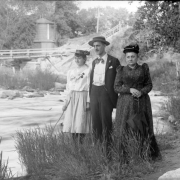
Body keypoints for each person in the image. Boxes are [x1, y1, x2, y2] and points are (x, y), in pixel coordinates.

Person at [114, 43, 161, 160]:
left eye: (133, 56)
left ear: (137, 57)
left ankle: (144, 153)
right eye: (128, 57)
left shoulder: (143, 68)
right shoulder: (121, 70)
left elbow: (149, 84)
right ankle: (126, 155)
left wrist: (142, 92)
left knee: (142, 125)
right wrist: (129, 89)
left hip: (142, 102)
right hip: (125, 104)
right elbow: (116, 87)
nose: (130, 59)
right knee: (125, 126)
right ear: (125, 58)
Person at [88, 36, 120, 155]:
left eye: (98, 45)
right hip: (94, 92)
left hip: (106, 92)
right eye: (94, 46)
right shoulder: (93, 62)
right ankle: (98, 148)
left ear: (104, 46)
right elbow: (91, 81)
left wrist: (118, 95)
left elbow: (119, 79)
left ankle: (108, 148)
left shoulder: (113, 61)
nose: (96, 48)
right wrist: (90, 96)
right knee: (95, 121)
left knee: (106, 120)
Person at [62, 50, 91, 144]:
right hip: (72, 97)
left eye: (79, 58)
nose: (77, 60)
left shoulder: (88, 70)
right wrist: (66, 102)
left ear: (84, 59)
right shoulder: (71, 71)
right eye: (75, 58)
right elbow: (68, 87)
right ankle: (74, 145)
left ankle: (81, 144)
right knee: (72, 124)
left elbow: (90, 86)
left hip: (82, 96)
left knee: (80, 122)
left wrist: (88, 101)